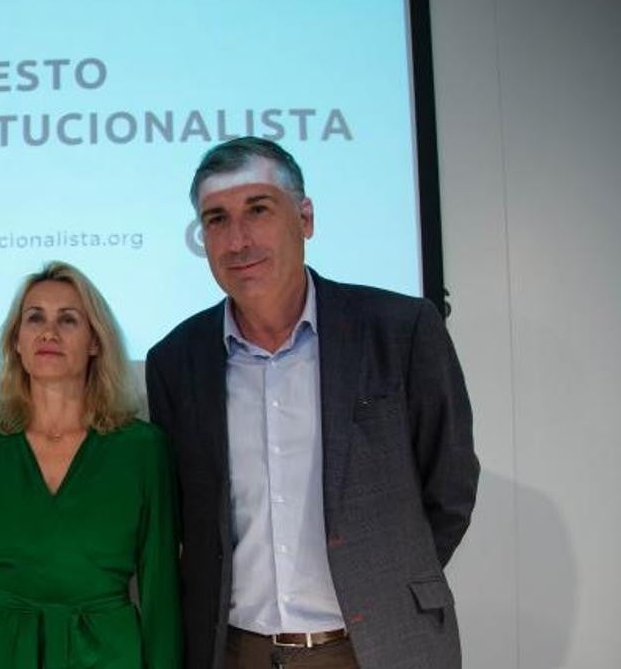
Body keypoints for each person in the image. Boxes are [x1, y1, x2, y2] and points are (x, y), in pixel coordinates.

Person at [146, 137, 479, 668]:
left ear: (305, 218)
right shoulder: (176, 361)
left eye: (258, 209)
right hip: (234, 652)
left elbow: (451, 487)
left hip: (378, 648)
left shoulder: (401, 331)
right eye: (216, 219)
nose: (238, 240)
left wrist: (385, 585)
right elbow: (184, 520)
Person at [0, 261, 182, 668]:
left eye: (68, 320)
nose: (48, 332)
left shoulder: (142, 450)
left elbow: (162, 594)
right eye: (34, 318)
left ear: (95, 341)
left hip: (107, 654)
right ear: (16, 342)